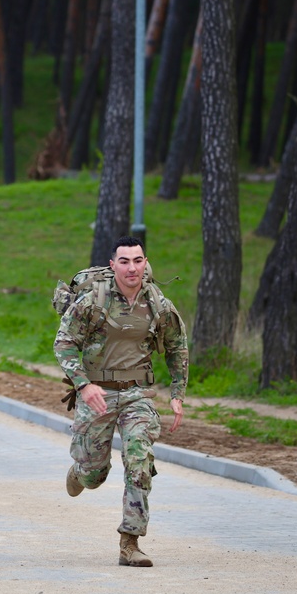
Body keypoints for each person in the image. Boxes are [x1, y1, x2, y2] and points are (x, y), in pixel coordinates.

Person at [55, 236, 189, 568]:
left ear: (146, 263)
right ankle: (81, 471)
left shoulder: (158, 303)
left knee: (139, 459)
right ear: (113, 265)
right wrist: (84, 386)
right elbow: (64, 343)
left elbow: (177, 347)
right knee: (94, 475)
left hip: (138, 394)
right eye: (125, 261)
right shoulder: (92, 301)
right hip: (96, 391)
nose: (132, 268)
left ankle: (130, 543)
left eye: (138, 261)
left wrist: (177, 395)